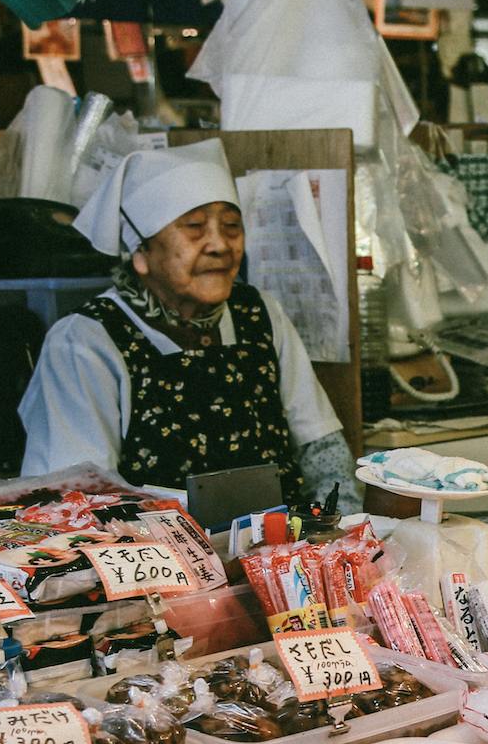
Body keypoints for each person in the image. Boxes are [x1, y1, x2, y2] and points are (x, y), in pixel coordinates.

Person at [18, 140, 358, 503]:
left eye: (231, 226)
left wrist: (342, 532)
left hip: (280, 551)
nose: (219, 245)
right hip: (151, 554)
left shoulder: (260, 314)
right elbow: (75, 499)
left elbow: (323, 454)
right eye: (194, 226)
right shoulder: (84, 341)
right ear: (141, 254)